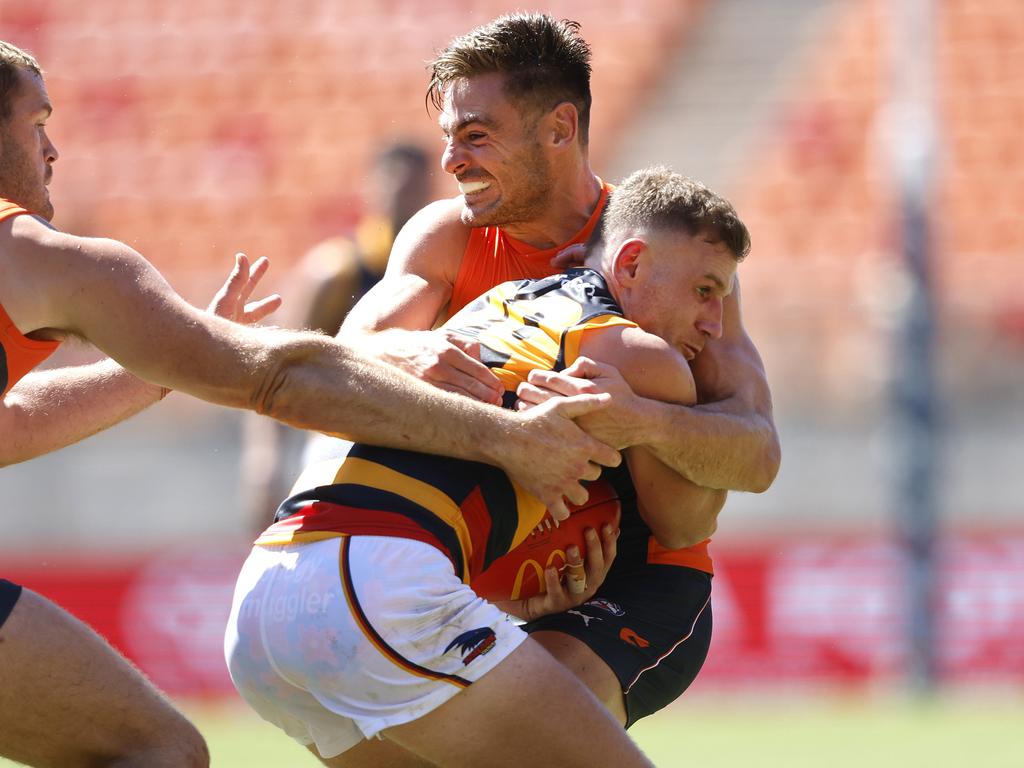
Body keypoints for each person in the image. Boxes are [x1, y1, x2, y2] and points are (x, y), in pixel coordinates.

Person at [0, 40, 619, 768]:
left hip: (292, 601)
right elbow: (280, 377)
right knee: (154, 752)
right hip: (354, 577)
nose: (53, 147)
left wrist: (162, 362)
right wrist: (507, 439)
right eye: (35, 122)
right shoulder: (48, 259)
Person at [338, 12, 781, 732]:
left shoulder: (668, 256)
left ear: (559, 128)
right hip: (488, 581)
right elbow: (356, 349)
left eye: (475, 134)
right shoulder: (446, 238)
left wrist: (642, 419)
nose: (450, 159)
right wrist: (416, 354)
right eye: (449, 136)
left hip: (637, 576)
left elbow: (757, 448)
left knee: (537, 725)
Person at [225, 166, 749, 767]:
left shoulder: (488, 301)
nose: (714, 324)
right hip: (375, 584)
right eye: (705, 291)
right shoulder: (636, 357)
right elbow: (684, 525)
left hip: (263, 601)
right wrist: (654, 420)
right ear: (628, 265)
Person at [240, 143, 432, 526]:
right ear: (373, 187)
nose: (405, 197)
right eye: (396, 184)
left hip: (419, 447)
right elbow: (279, 366)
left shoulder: (440, 272)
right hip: (337, 448)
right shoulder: (336, 272)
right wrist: (265, 460)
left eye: (415, 188)